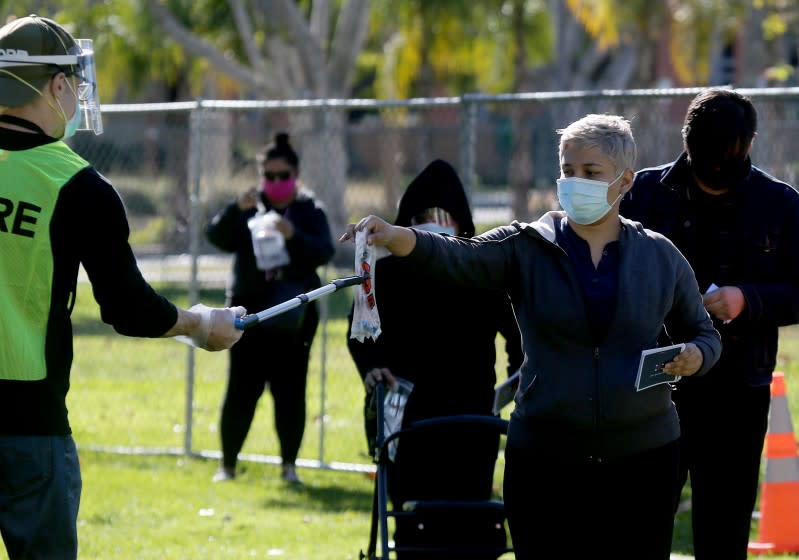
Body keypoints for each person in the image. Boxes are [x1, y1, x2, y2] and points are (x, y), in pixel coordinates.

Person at [341, 113, 723, 560]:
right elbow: (457, 255)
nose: (574, 181)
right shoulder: (525, 246)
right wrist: (397, 235)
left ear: (624, 182)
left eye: (591, 172)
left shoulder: (660, 255)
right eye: (567, 170)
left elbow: (704, 333)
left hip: (644, 459)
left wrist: (697, 355)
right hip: (545, 459)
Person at [0, 14, 245, 560]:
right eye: (73, 82)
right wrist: (200, 323)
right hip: (29, 428)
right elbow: (129, 308)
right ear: (57, 86)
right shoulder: (77, 185)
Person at [620, 88, 799, 559]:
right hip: (656, 388)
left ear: (750, 144)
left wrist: (748, 300)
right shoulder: (644, 195)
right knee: (640, 522)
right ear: (686, 142)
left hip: (738, 388)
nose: (716, 176)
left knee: (724, 525)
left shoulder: (779, 204)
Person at [346, 159, 524, 558]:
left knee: (468, 520)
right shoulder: (386, 274)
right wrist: (372, 369)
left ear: (462, 225)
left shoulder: (484, 274)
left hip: (471, 417)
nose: (435, 226)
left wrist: (520, 384)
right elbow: (361, 333)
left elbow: (519, 339)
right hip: (406, 418)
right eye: (424, 218)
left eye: (445, 218)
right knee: (414, 523)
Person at [206, 132, 335, 486]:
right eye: (269, 176)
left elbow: (324, 250)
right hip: (249, 314)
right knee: (241, 390)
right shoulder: (251, 206)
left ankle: (289, 466)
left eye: (283, 176)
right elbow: (216, 236)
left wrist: (294, 234)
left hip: (294, 316)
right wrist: (236, 209)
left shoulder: (309, 210)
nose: (276, 183)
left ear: (295, 174)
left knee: (290, 392)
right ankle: (228, 465)